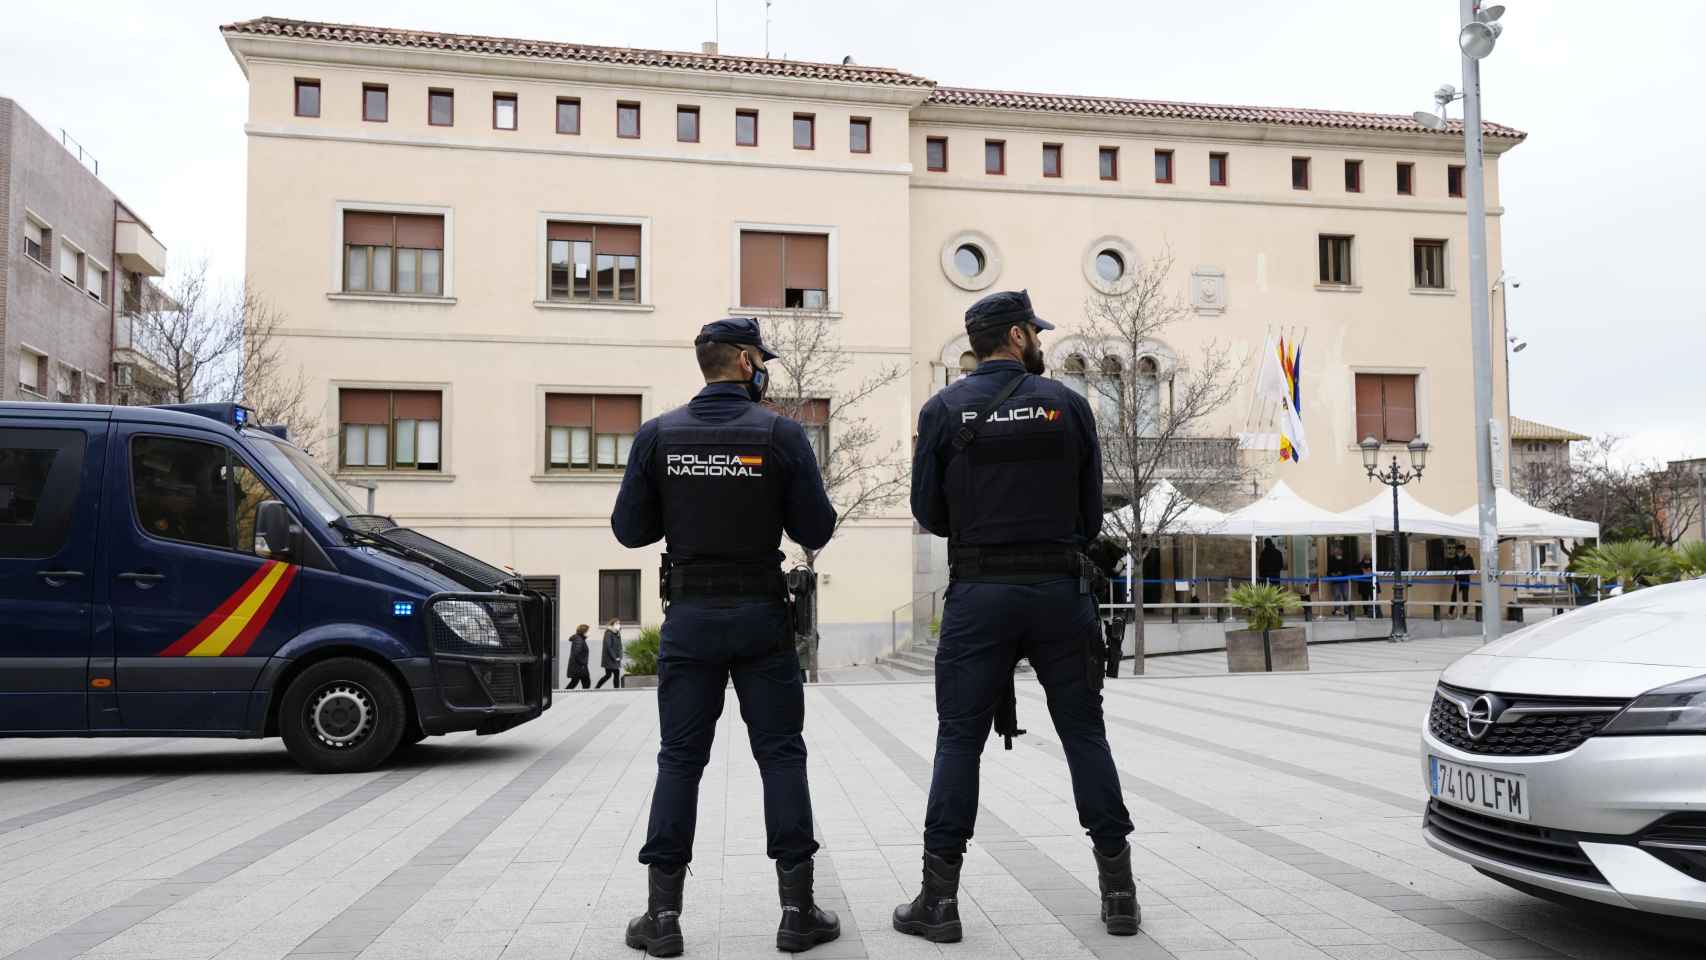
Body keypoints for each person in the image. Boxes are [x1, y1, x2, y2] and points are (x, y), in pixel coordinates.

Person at [898, 289, 1138, 941]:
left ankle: (938, 903)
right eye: (1035, 331)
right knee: (1085, 735)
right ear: (1013, 337)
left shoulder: (943, 409)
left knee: (958, 742)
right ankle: (1120, 896)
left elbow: (928, 514)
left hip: (979, 595)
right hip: (1060, 591)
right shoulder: (1070, 407)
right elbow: (1091, 517)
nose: (1042, 341)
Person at [611, 317, 840, 957]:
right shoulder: (780, 433)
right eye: (760, 358)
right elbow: (815, 527)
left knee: (680, 759)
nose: (763, 367)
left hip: (690, 616)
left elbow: (630, 532)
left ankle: (661, 919)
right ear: (744, 362)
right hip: (762, 617)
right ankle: (797, 912)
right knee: (781, 755)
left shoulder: (659, 434)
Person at [596, 618, 625, 689]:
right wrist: (614, 657)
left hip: (616, 658)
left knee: (616, 674)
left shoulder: (617, 633)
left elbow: (620, 646)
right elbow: (608, 646)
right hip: (609, 659)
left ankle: (616, 689)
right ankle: (597, 687)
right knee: (608, 675)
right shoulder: (608, 633)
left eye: (619, 623)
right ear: (612, 625)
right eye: (617, 624)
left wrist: (620, 656)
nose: (618, 625)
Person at [1451, 542, 1475, 619]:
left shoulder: (1469, 558)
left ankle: (1465, 613)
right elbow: (1451, 567)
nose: (1459, 552)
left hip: (1465, 580)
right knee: (1454, 597)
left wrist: (1466, 570)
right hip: (1457, 580)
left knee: (1465, 597)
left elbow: (1472, 569)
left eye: (1460, 551)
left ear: (1463, 550)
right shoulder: (1454, 558)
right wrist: (1454, 569)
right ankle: (1450, 612)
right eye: (1457, 551)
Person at [565, 624, 592, 689]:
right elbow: (576, 653)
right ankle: (565, 693)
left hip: (578, 667)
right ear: (583, 631)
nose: (589, 633)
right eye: (588, 631)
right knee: (586, 682)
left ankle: (566, 693)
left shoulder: (580, 639)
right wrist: (583, 663)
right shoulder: (579, 640)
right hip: (579, 667)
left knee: (575, 682)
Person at [1327, 544, 1350, 617]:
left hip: (1344, 581)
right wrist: (1332, 574)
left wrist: (1342, 573)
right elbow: (1328, 572)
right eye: (1336, 551)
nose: (1337, 552)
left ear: (1342, 552)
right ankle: (1337, 610)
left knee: (1345, 596)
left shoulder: (1346, 560)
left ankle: (1346, 611)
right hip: (1335, 582)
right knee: (1336, 596)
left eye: (1339, 551)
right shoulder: (1331, 560)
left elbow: (1349, 571)